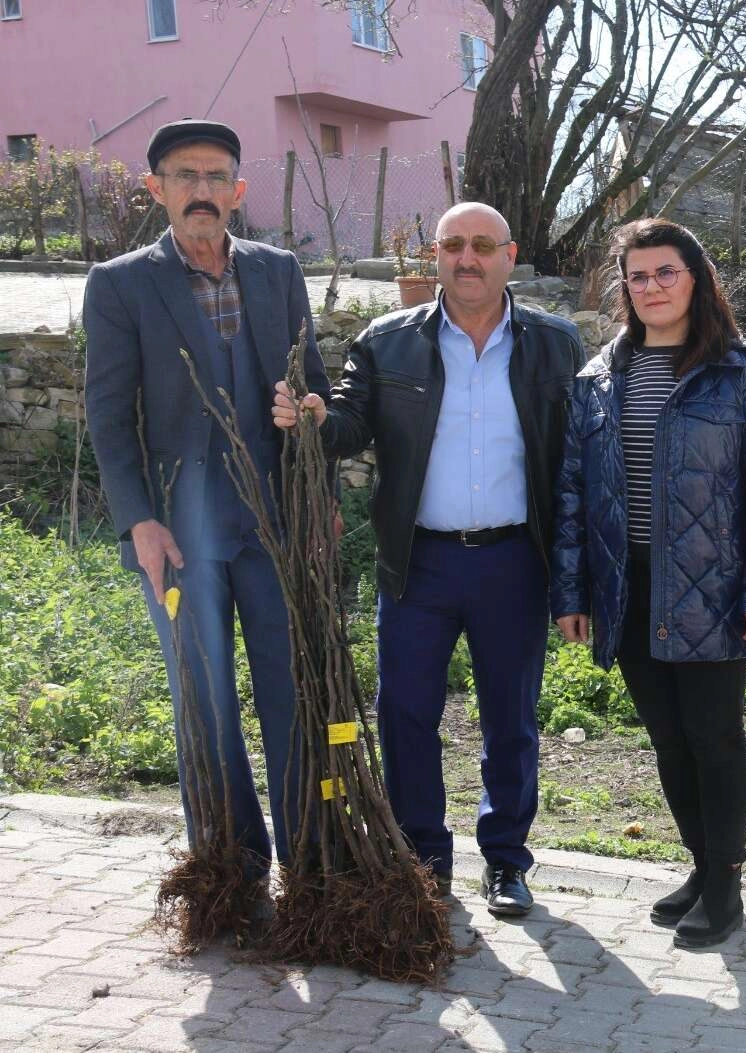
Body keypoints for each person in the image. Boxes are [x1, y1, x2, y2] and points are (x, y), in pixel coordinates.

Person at [269, 202, 583, 917]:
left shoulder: (554, 344)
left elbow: (575, 465)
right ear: (433, 257)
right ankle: (423, 858)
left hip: (514, 561)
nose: (465, 258)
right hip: (419, 562)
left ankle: (506, 860)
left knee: (512, 717)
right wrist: (317, 419)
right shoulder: (390, 340)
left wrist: (576, 573)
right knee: (407, 712)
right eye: (451, 245)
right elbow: (352, 421)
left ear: (510, 254)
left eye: (480, 245)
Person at [84, 119, 330, 910]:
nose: (201, 190)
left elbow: (314, 387)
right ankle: (230, 866)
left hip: (274, 523)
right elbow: (108, 414)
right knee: (205, 697)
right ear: (155, 189)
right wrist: (138, 522)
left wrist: (316, 467)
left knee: (294, 687)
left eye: (215, 175)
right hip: (181, 533)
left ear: (238, 191)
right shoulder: (121, 284)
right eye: (183, 176)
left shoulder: (278, 271)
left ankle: (312, 857)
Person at [551, 218, 746, 949]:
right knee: (668, 740)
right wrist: (573, 592)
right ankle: (700, 867)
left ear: (696, 280)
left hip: (711, 585)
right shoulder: (599, 377)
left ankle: (726, 885)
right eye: (639, 275)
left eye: (666, 273)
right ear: (625, 287)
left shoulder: (737, 369)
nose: (651, 286)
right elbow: (572, 490)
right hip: (626, 585)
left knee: (714, 737)